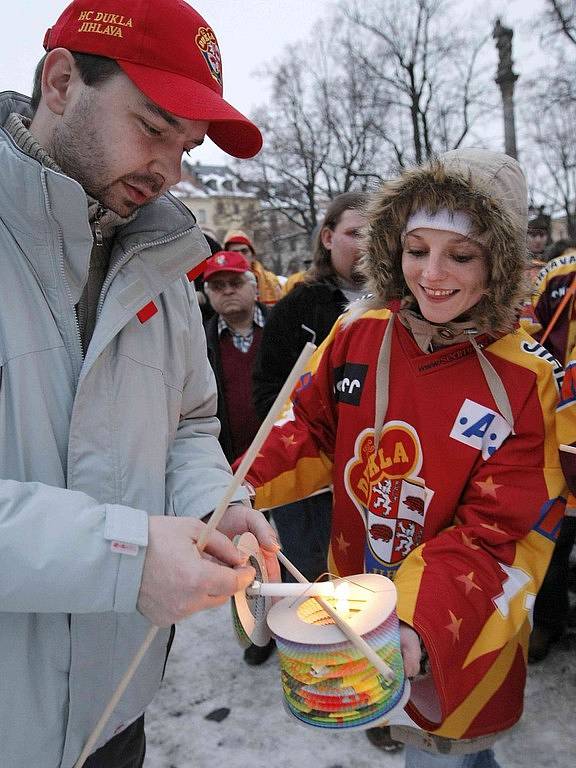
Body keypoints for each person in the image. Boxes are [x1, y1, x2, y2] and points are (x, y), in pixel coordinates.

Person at [0, 1, 280, 766]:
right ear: (61, 81)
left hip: (115, 709)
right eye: (155, 128)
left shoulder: (160, 254)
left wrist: (213, 508)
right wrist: (123, 560)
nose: (170, 170)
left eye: (186, 147)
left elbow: (189, 424)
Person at [242, 149, 567, 766]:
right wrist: (235, 487)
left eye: (461, 255)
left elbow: (498, 533)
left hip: (453, 628)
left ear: (497, 262)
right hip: (361, 602)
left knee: (447, 757)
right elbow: (308, 430)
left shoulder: (525, 379)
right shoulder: (358, 332)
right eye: (417, 250)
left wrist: (414, 624)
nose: (432, 274)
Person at [527, 237, 576, 661]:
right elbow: (526, 335)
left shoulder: (555, 270)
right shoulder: (557, 273)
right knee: (553, 534)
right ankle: (547, 620)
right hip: (557, 423)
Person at [224, 229, 283, 306]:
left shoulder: (271, 280)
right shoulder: (219, 282)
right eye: (234, 252)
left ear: (253, 256)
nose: (240, 256)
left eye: (244, 251)